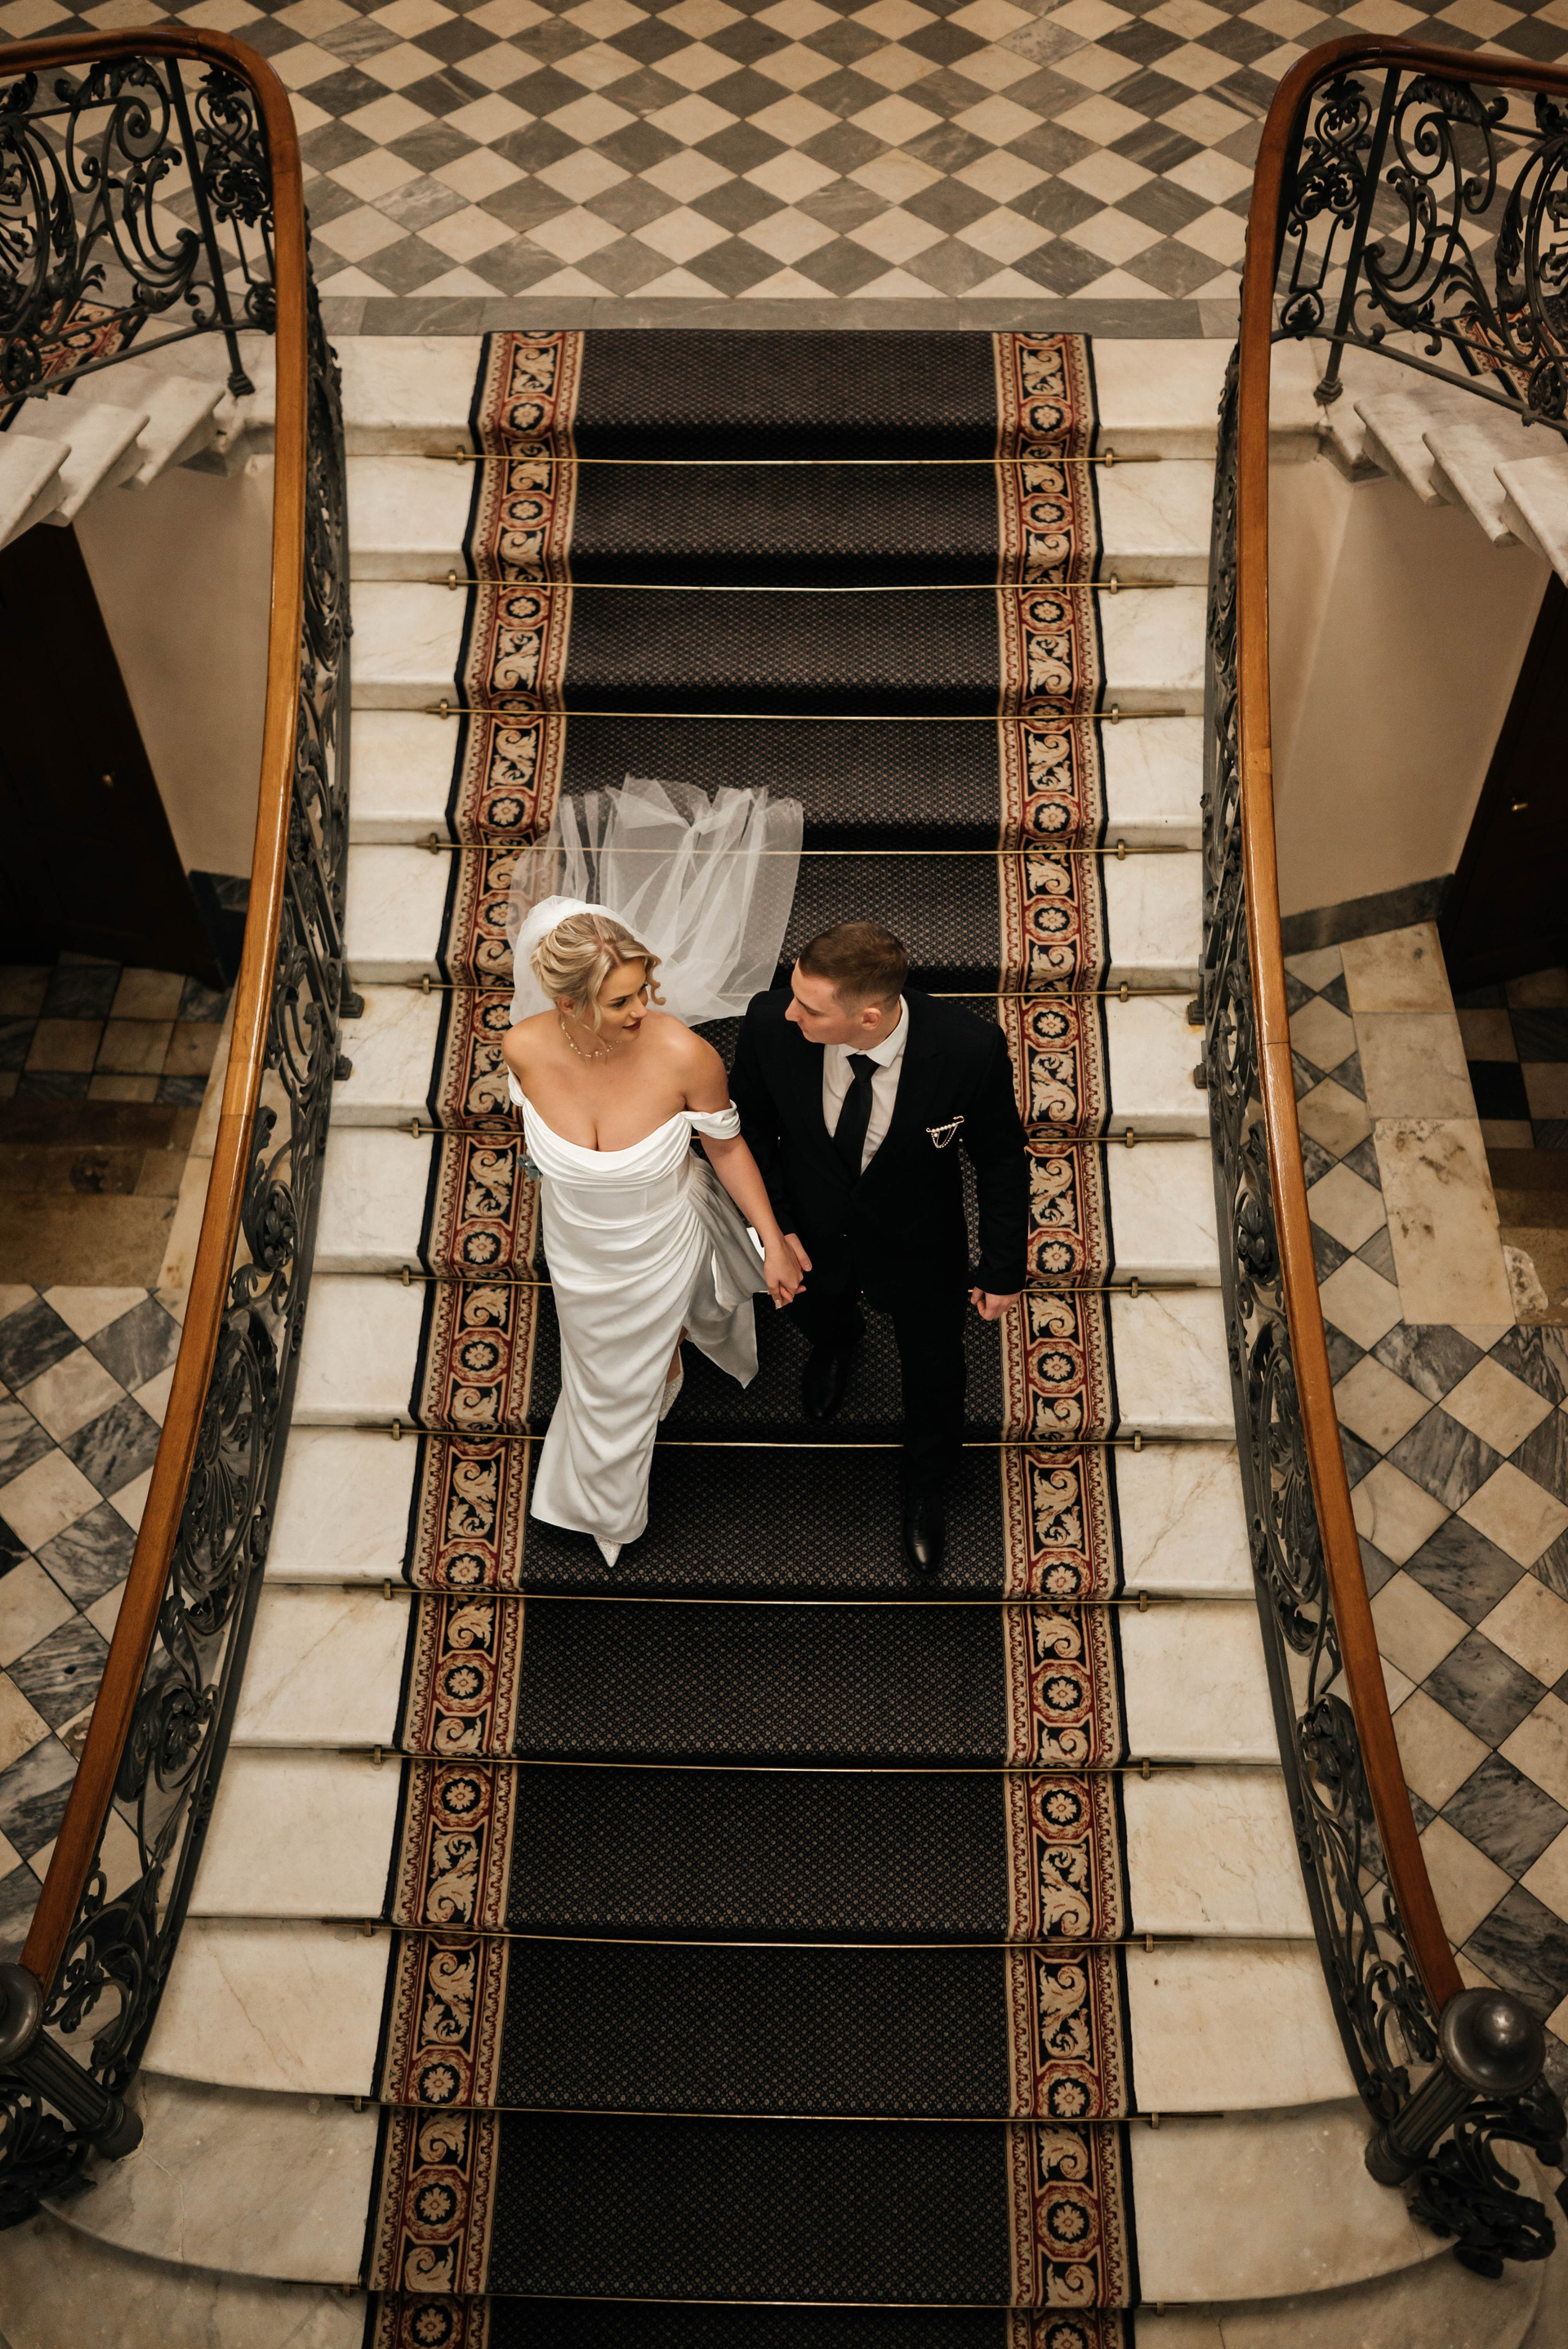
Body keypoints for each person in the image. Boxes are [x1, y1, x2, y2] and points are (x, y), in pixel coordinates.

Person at [501, 904, 804, 1566]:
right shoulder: (521, 1047)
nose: (643, 1008)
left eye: (644, 989)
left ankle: (608, 1505)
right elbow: (530, 1134)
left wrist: (773, 1241)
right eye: (620, 1002)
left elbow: (727, 1148)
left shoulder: (684, 1055)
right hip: (576, 1241)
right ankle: (668, 1358)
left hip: (661, 1239)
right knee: (590, 1362)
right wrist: (546, 1170)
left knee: (624, 1381)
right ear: (567, 1002)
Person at [729, 920, 1028, 1576]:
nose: (790, 1012)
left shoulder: (968, 1048)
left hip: (920, 1241)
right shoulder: (770, 1024)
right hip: (808, 1233)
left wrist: (1003, 1265)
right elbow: (748, 1132)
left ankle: (927, 1482)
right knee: (817, 1313)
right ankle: (837, 1345)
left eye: (810, 1008)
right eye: (793, 994)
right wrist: (776, 1230)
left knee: (935, 1371)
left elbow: (1001, 1159)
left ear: (868, 1017)